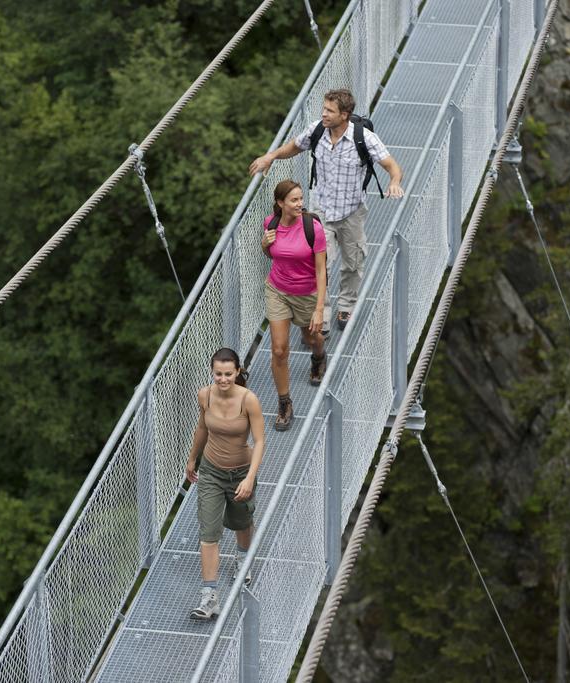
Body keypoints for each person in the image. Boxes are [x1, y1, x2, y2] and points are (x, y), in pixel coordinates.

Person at [249, 88, 404, 333]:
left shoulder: (364, 138)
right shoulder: (317, 130)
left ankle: (347, 304)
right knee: (320, 263)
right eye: (323, 109)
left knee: (353, 262)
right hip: (321, 213)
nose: (323, 114)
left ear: (345, 114)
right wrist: (272, 156)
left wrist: (394, 182)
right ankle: (323, 315)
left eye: (329, 111)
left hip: (351, 211)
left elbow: (391, 165)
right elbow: (294, 146)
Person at [185, 347, 265, 620]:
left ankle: (243, 559)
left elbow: (260, 441)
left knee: (242, 521)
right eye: (218, 373)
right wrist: (192, 458)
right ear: (212, 371)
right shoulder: (204, 395)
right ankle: (209, 598)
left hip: (241, 471)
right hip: (211, 472)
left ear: (237, 372)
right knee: (209, 532)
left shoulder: (248, 400)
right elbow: (202, 428)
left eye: (228, 374)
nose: (222, 379)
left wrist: (250, 478)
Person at [262, 179, 328, 431]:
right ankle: (284, 403)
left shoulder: (313, 228)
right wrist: (264, 244)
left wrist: (320, 309)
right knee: (279, 350)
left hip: (307, 294)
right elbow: (272, 254)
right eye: (294, 200)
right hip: (277, 290)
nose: (300, 203)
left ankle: (319, 356)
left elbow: (321, 271)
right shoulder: (271, 223)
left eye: (301, 198)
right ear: (280, 203)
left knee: (313, 337)